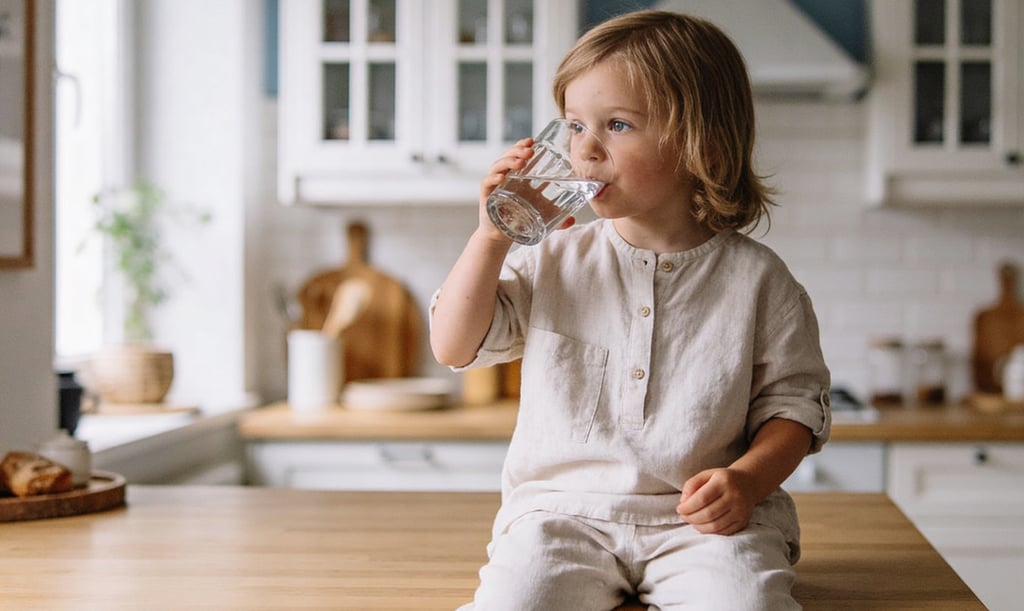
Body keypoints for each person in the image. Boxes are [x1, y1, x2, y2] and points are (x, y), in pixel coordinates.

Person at [430, 9, 831, 610]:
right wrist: (491, 237)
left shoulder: (759, 280)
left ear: (703, 145)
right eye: (572, 125)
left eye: (617, 125)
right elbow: (453, 345)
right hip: (561, 517)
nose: (584, 149)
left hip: (699, 526)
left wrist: (746, 481)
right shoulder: (552, 257)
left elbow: (795, 409)